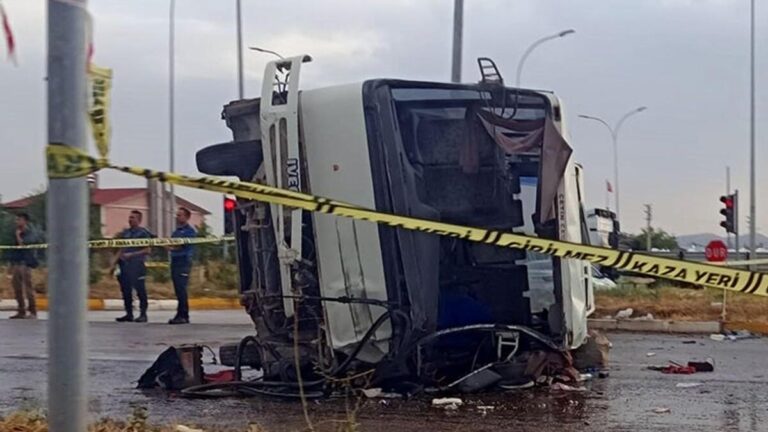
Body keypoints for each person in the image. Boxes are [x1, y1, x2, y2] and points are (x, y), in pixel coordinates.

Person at [110, 210, 152, 323]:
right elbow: (122, 248)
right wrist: (114, 263)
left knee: (140, 289)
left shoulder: (143, 233)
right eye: (129, 217)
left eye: (133, 217)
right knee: (125, 290)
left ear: (139, 220)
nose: (130, 219)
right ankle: (129, 313)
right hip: (124, 265)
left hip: (137, 264)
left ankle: (143, 314)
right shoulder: (126, 233)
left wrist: (132, 254)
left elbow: (147, 250)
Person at [167, 207, 196, 325]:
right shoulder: (176, 232)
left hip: (183, 261)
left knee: (181, 289)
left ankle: (184, 315)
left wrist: (169, 247)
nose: (177, 217)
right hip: (175, 261)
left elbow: (180, 246)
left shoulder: (189, 231)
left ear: (187, 217)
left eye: (180, 215)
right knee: (178, 290)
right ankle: (179, 314)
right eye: (177, 215)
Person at [8, 213, 38, 319]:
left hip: (26, 263)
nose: (17, 222)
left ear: (25, 221)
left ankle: (33, 311)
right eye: (17, 220)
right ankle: (21, 311)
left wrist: (18, 236)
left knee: (28, 288)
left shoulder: (30, 233)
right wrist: (11, 264)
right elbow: (14, 248)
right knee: (17, 288)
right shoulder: (16, 232)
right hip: (17, 262)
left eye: (19, 220)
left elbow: (24, 245)